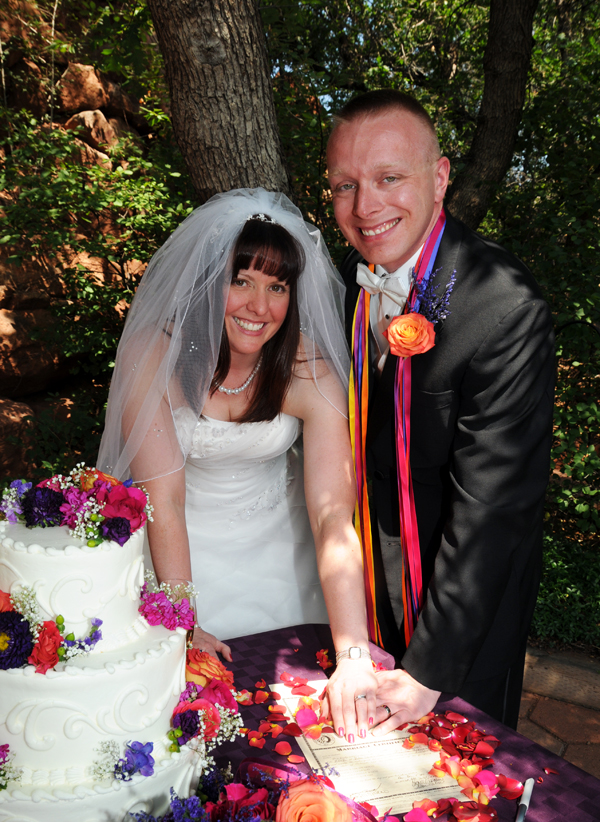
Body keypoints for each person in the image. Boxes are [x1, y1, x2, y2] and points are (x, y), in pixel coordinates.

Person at [97, 188, 377, 739]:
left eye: (277, 287)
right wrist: (183, 622)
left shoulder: (310, 368)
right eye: (241, 280)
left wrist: (355, 654)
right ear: (207, 284)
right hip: (177, 554)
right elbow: (164, 500)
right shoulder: (155, 353)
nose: (259, 306)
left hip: (283, 557)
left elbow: (331, 516)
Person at [327, 90, 555, 730]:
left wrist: (428, 671)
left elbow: (493, 508)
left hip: (461, 612)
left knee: (460, 770)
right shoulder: (346, 278)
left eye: (389, 178)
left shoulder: (506, 308)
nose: (365, 207)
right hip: (360, 584)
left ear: (440, 177)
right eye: (345, 185)